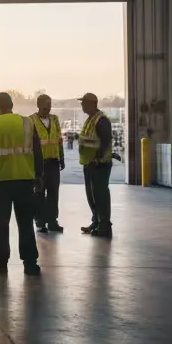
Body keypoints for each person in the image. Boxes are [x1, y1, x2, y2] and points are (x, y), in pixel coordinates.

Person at [0, 92, 43, 276]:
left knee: (0, 224)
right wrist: (39, 176)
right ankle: (30, 264)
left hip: (0, 182)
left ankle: (0, 262)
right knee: (25, 223)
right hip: (24, 180)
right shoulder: (28, 123)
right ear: (12, 104)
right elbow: (37, 152)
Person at [78, 92, 114, 238]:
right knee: (91, 196)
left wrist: (98, 158)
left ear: (92, 104)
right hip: (89, 164)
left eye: (84, 102)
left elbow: (105, 141)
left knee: (100, 195)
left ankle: (104, 226)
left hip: (100, 164)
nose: (81, 105)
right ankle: (96, 221)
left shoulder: (101, 120)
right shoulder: (90, 119)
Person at [31, 95, 65, 233]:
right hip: (39, 163)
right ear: (38, 105)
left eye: (49, 107)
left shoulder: (54, 119)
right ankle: (40, 222)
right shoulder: (30, 121)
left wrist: (61, 157)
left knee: (53, 193)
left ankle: (52, 221)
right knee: (39, 193)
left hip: (53, 162)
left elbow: (59, 139)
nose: (47, 110)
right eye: (45, 107)